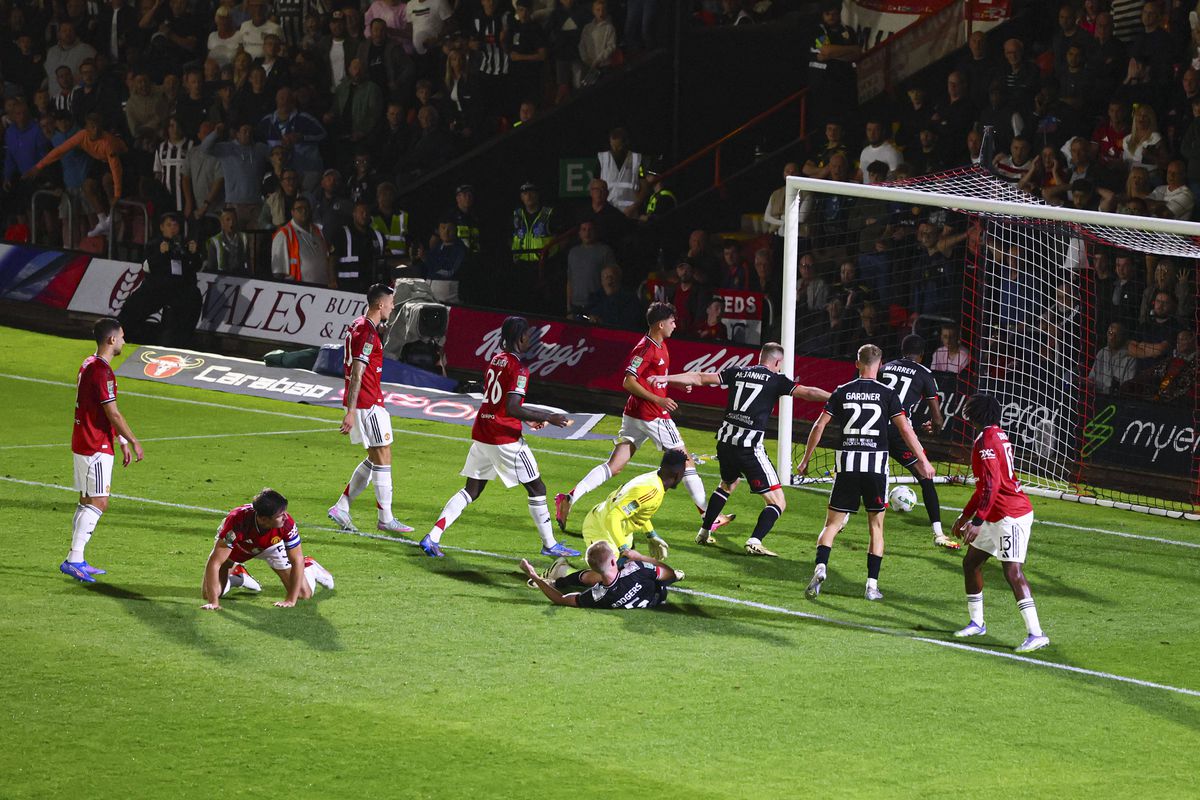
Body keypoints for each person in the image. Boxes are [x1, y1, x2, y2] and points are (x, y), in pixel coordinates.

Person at [554, 302, 733, 533]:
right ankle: (709, 516)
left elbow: (655, 379)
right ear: (661, 324)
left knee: (615, 465)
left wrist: (676, 386)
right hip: (653, 415)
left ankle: (569, 497)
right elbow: (628, 381)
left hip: (635, 414)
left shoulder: (660, 345)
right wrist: (658, 400)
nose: (675, 325)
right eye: (672, 321)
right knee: (685, 461)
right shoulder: (645, 349)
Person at [420, 316, 580, 559]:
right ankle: (549, 544)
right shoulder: (520, 368)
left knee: (471, 490)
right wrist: (549, 415)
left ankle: (432, 537)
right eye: (527, 335)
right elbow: (513, 407)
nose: (530, 339)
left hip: (483, 430)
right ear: (521, 337)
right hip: (504, 438)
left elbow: (497, 399)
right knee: (537, 487)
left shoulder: (496, 359)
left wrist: (527, 419)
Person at [653, 342, 831, 556]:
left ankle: (704, 531)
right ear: (777, 362)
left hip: (726, 443)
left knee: (728, 483)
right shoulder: (777, 380)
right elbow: (808, 393)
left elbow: (700, 377)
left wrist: (666, 378)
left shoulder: (738, 371)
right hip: (749, 448)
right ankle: (755, 541)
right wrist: (835, 397)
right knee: (778, 502)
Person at [797, 344, 934, 601]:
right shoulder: (888, 393)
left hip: (847, 466)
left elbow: (819, 425)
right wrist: (923, 461)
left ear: (857, 363)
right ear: (880, 365)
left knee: (832, 524)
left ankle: (820, 567)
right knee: (876, 526)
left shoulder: (842, 391)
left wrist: (806, 460)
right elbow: (906, 431)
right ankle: (871, 586)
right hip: (875, 468)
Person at [950, 394, 1049, 653]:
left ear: (974, 415)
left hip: (1009, 515)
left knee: (1012, 572)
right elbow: (984, 486)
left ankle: (1036, 633)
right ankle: (977, 622)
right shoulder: (996, 434)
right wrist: (965, 516)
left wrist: (977, 521)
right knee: (971, 563)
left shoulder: (986, 441)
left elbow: (993, 485)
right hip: (994, 514)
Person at [59, 318, 145, 583]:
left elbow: (99, 411)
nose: (123, 341)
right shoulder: (102, 371)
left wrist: (119, 441)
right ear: (111, 340)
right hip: (94, 444)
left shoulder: (88, 364)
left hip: (87, 440)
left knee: (87, 500)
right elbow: (113, 413)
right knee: (99, 501)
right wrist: (133, 440)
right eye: (121, 337)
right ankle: (74, 559)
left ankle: (77, 559)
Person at [327, 283, 414, 535]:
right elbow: (357, 373)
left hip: (371, 399)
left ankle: (342, 506)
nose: (393, 306)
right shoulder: (366, 332)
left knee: (376, 457)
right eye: (391, 302)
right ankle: (385, 518)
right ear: (380, 304)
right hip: (367, 402)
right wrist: (351, 411)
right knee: (383, 455)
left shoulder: (359, 325)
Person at [201, 489, 335, 611]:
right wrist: (214, 602)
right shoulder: (237, 522)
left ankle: (310, 567)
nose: (285, 517)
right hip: (239, 545)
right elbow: (214, 562)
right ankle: (237, 576)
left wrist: (290, 600)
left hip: (272, 546)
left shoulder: (286, 524)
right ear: (264, 519)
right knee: (209, 593)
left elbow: (297, 559)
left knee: (303, 594)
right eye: (280, 515)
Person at [880, 335, 955, 548]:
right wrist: (934, 427)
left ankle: (844, 519)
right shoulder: (924, 373)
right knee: (925, 478)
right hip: (901, 434)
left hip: (877, 430)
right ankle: (938, 533)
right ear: (922, 356)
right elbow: (938, 418)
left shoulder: (885, 368)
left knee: (869, 474)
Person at [25, 112, 126, 238]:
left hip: (122, 160)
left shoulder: (107, 142)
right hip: (100, 161)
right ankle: (102, 221)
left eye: (97, 127)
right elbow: (59, 151)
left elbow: (116, 168)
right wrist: (38, 167)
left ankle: (116, 216)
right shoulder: (81, 135)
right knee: (87, 186)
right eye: (92, 127)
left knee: (107, 181)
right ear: (87, 128)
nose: (95, 130)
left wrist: (117, 193)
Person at [118, 213, 204, 347]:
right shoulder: (154, 244)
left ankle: (184, 342)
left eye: (175, 225)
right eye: (169, 225)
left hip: (180, 290)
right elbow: (147, 266)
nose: (173, 228)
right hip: (157, 288)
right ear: (162, 227)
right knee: (133, 307)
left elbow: (195, 267)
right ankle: (122, 338)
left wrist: (194, 254)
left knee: (193, 298)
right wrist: (161, 253)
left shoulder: (184, 245)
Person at [521, 539, 682, 610]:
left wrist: (534, 575)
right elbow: (670, 575)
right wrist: (639, 557)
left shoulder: (597, 596)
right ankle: (559, 578)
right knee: (663, 574)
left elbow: (559, 599)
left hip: (615, 588)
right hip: (657, 596)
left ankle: (557, 581)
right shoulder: (638, 569)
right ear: (613, 562)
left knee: (588, 578)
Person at [271, 197, 336, 286]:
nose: (304, 211)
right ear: (292, 212)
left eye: (306, 208)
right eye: (299, 209)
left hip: (323, 291)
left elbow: (329, 258)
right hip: (299, 293)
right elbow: (277, 273)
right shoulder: (284, 234)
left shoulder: (318, 230)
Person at [332, 200, 387, 293]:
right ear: (354, 214)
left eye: (367, 212)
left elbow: (387, 259)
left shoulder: (377, 236)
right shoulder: (343, 234)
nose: (364, 215)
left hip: (371, 288)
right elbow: (332, 259)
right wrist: (332, 280)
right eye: (361, 212)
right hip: (347, 287)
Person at [205, 206, 250, 274]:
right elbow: (211, 267)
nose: (231, 223)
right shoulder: (214, 241)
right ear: (222, 222)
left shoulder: (244, 238)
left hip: (240, 276)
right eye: (228, 220)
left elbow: (248, 262)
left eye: (234, 220)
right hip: (222, 276)